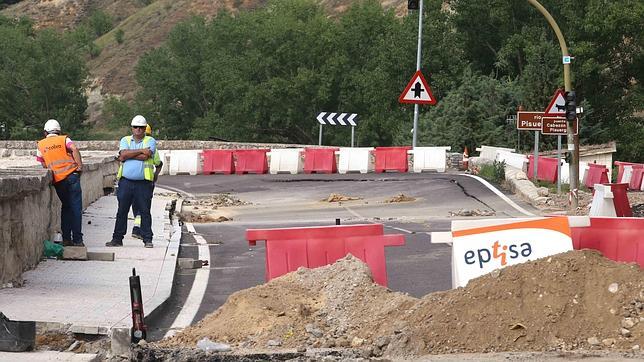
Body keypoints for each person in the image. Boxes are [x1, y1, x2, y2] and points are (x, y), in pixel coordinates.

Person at [106, 115, 157, 248]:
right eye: (136, 127)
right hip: (126, 182)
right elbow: (123, 155)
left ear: (145, 128)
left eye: (141, 127)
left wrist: (129, 154)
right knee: (122, 210)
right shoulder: (125, 140)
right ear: (132, 128)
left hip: (143, 183)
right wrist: (141, 151)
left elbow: (147, 155)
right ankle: (117, 239)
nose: (138, 130)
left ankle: (147, 239)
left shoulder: (150, 140)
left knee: (145, 211)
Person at [36, 119, 84, 247]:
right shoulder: (64, 139)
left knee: (66, 207)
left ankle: (67, 239)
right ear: (59, 131)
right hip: (72, 177)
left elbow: (43, 164)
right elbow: (74, 149)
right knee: (76, 209)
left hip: (59, 181)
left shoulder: (41, 144)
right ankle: (78, 240)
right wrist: (79, 166)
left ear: (45, 132)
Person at [130, 123, 163, 239]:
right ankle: (139, 229)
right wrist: (156, 175)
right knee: (144, 208)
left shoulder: (132, 146)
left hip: (132, 180)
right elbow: (159, 163)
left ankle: (137, 228)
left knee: (136, 206)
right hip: (146, 181)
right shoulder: (152, 148)